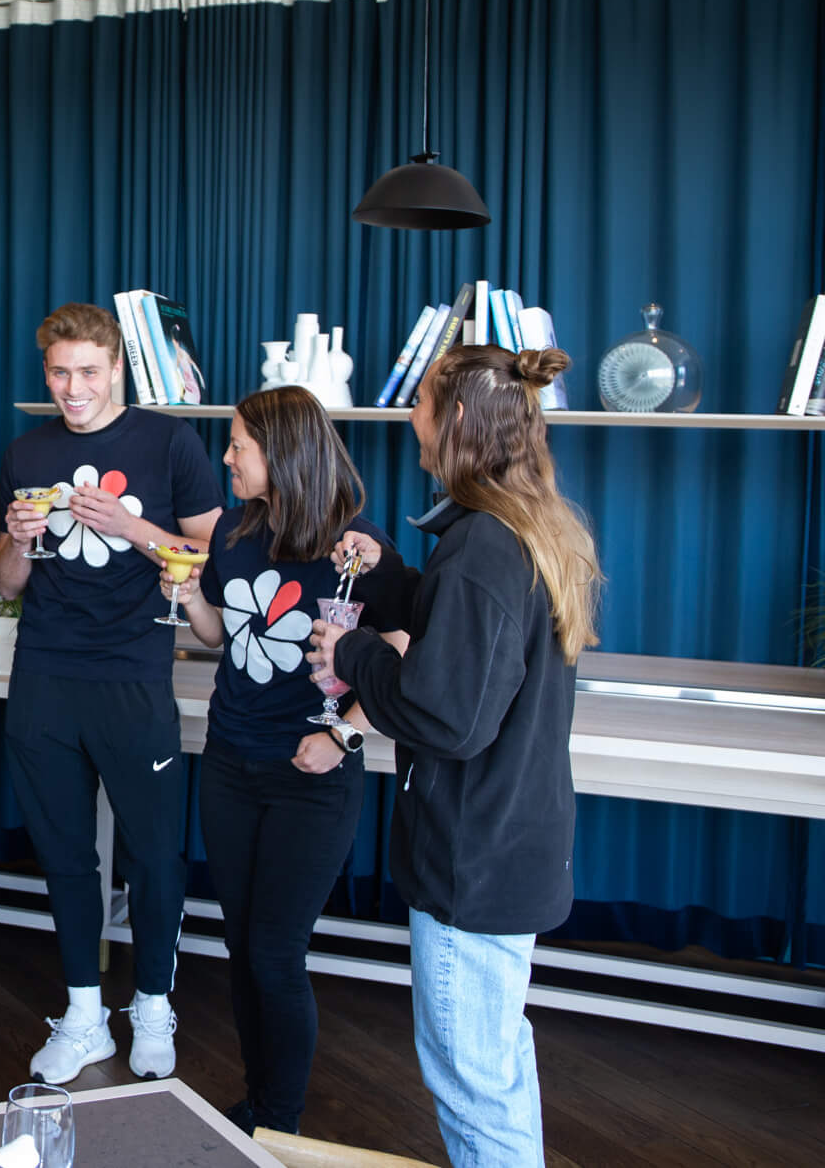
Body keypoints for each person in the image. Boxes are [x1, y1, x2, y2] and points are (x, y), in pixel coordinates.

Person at [308, 345, 600, 1168]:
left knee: (474, 1092)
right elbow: (467, 651)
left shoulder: (480, 548)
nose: (412, 418)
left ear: (459, 420)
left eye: (423, 403)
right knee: (498, 1074)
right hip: (513, 849)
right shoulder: (527, 528)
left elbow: (446, 714)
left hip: (472, 865)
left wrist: (356, 650)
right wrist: (391, 575)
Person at [0, 302, 222, 1084]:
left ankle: (152, 1004)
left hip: (133, 673)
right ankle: (85, 1013)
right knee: (63, 854)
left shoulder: (170, 441)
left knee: (155, 855)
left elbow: (212, 555)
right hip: (46, 674)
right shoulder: (27, 448)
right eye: (59, 372)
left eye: (88, 371)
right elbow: (7, 581)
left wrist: (132, 525)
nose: (73, 387)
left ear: (117, 367)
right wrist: (15, 542)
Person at [160, 386, 399, 1135]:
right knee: (241, 945)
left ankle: (281, 1123)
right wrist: (191, 596)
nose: (225, 458)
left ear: (284, 454)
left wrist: (342, 737)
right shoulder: (233, 527)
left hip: (310, 780)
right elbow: (223, 636)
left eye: (238, 446)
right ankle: (258, 1103)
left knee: (274, 952)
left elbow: (402, 651)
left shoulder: (355, 545)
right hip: (232, 761)